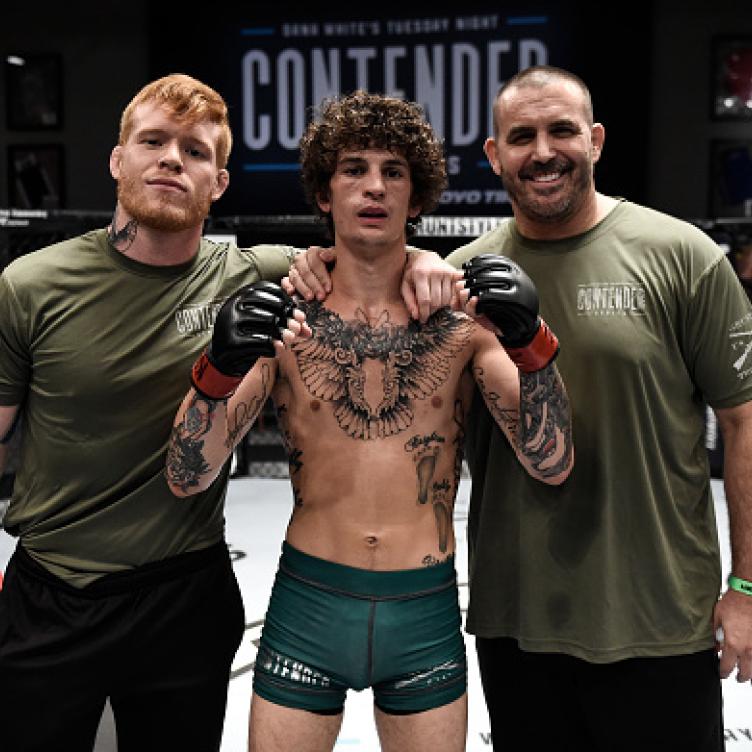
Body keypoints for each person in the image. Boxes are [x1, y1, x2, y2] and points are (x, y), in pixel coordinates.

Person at [0, 73, 452, 752]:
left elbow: (361, 254)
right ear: (119, 160)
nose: (172, 159)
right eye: (153, 141)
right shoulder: (31, 284)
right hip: (54, 589)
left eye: (196, 151)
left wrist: (425, 263)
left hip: (186, 592)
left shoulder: (255, 276)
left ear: (219, 182)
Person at [165, 90, 573, 752]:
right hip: (309, 605)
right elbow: (189, 475)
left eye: (394, 171)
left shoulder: (463, 324)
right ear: (325, 193)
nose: (374, 186)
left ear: (417, 198)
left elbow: (551, 461)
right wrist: (217, 370)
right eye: (353, 168)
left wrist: (534, 349)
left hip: (425, 614)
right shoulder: (287, 324)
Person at [444, 65, 752, 751]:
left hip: (660, 616)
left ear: (597, 140)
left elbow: (744, 421)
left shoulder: (683, 256)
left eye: (562, 130)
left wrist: (748, 587)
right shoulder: (463, 278)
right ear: (495, 154)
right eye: (521, 136)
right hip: (517, 618)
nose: (543, 151)